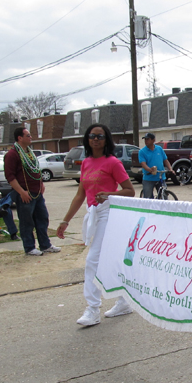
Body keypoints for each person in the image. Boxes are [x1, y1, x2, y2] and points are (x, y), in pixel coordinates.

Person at [57, 124, 136, 326]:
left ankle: (92, 309)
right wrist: (65, 221)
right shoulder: (86, 163)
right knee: (109, 260)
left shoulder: (113, 162)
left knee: (92, 259)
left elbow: (129, 190)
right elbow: (80, 195)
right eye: (92, 136)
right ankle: (124, 300)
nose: (95, 139)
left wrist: (110, 194)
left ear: (106, 140)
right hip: (94, 214)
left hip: (109, 213)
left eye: (100, 136)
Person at [4, 127, 61, 256]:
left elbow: (35, 170)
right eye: (28, 135)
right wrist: (21, 192)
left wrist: (40, 183)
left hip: (37, 193)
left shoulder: (30, 153)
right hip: (25, 194)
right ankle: (29, 247)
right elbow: (10, 177)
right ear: (20, 138)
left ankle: (45, 245)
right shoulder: (12, 155)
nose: (31, 138)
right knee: (26, 222)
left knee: (42, 218)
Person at [139, 133, 174, 199]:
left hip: (160, 176)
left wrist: (170, 169)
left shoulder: (159, 149)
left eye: (148, 139)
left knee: (164, 195)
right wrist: (150, 170)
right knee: (148, 198)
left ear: (153, 140)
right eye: (145, 139)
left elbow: (165, 160)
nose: (146, 141)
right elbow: (143, 164)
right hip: (148, 177)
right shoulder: (142, 151)